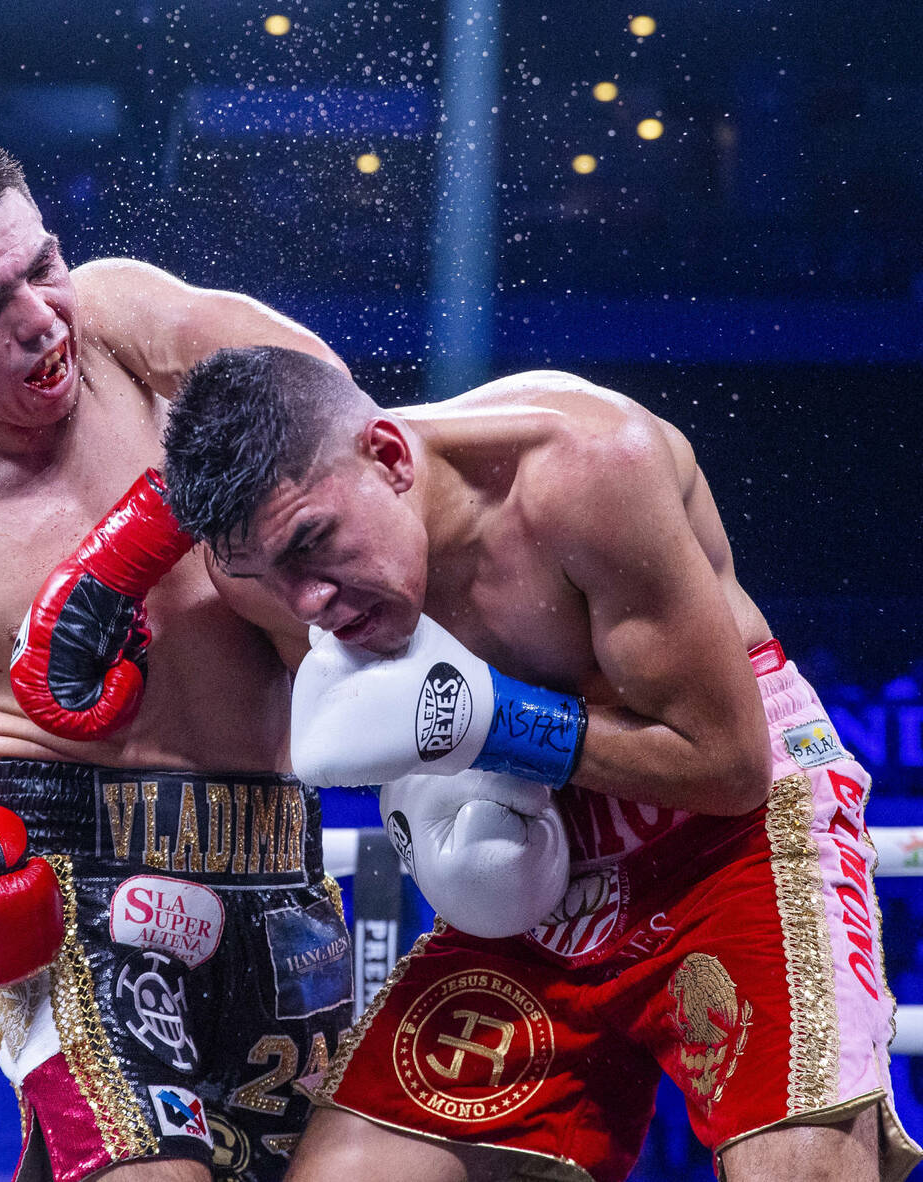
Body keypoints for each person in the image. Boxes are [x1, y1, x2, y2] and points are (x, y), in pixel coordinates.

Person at [160, 345, 923, 1182]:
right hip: (532, 861)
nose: (306, 601)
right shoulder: (257, 565)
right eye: (266, 573)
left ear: (388, 456)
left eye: (313, 543)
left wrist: (491, 724)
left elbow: (728, 764)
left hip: (730, 841)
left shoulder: (586, 471)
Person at [0, 135, 356, 1182]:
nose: (40, 319)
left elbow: (318, 397)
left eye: (42, 267)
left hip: (279, 873)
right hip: (74, 887)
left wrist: (135, 543)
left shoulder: (126, 318)